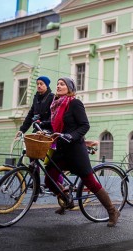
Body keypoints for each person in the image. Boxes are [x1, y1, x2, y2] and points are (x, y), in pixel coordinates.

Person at [43, 77, 120, 227]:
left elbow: (84, 125)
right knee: (49, 178)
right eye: (57, 84)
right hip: (61, 148)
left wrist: (71, 136)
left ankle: (112, 211)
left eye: (62, 84)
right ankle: (67, 199)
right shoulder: (56, 105)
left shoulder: (74, 103)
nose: (58, 86)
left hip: (75, 149)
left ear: (69, 88)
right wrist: (42, 123)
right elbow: (55, 125)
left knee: (90, 181)